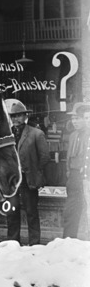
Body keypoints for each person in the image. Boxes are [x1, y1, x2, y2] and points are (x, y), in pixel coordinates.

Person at [5, 100, 48, 246]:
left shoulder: (36, 134)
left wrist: (34, 171)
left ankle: (34, 243)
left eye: (18, 115)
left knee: (31, 212)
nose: (15, 119)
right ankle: (13, 242)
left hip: (28, 179)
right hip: (12, 181)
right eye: (13, 116)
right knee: (12, 212)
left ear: (25, 116)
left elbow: (44, 157)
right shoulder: (7, 135)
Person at [62, 102, 90, 240]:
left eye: (77, 118)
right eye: (73, 118)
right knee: (70, 210)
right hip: (73, 177)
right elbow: (69, 157)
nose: (75, 121)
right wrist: (69, 173)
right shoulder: (73, 135)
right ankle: (68, 240)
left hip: (86, 177)